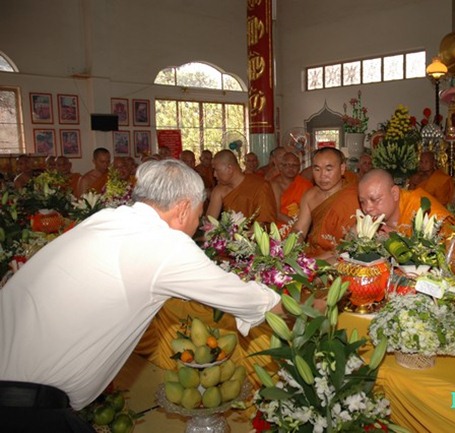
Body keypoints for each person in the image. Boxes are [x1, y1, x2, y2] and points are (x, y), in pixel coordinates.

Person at [0, 159, 283, 432]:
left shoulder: (107, 218)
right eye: (199, 216)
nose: (197, 225)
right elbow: (249, 301)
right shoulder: (164, 244)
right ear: (183, 208)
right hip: (22, 409)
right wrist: (295, 307)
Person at [293, 147, 359, 260]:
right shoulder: (310, 196)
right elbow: (299, 230)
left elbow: (348, 246)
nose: (322, 175)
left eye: (328, 169)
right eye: (317, 169)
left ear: (342, 169)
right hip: (313, 255)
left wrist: (313, 263)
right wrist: (289, 248)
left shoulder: (354, 196)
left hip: (343, 257)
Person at [358, 168, 454, 236]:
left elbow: (451, 247)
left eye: (375, 200)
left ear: (394, 193)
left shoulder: (422, 208)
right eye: (362, 202)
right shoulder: (371, 217)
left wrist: (399, 240)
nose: (367, 208)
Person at [206, 149, 276, 223]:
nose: (214, 174)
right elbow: (209, 223)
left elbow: (265, 221)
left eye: (217, 170)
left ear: (230, 169)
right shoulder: (219, 190)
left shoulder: (261, 186)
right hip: (230, 230)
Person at [270, 151, 312, 227]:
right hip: (281, 227)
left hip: (302, 224)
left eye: (294, 165)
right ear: (280, 167)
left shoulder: (305, 184)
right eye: (286, 165)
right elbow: (275, 212)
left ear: (299, 168)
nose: (291, 168)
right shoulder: (274, 185)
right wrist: (295, 225)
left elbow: (311, 208)